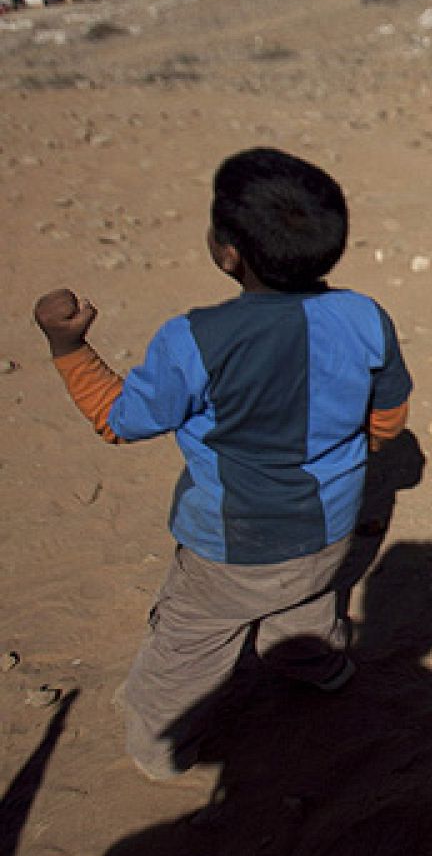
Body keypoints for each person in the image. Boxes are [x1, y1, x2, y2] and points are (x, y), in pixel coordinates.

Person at [32, 147, 412, 783]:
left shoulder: (193, 339)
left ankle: (162, 745)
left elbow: (118, 421)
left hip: (229, 545)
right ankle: (316, 666)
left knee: (189, 643)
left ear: (228, 252)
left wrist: (68, 346)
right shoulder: (366, 318)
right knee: (306, 596)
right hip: (329, 526)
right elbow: (389, 421)